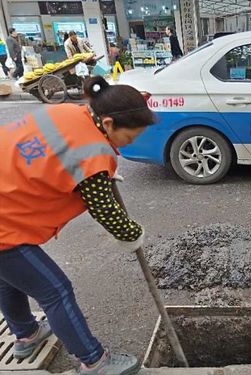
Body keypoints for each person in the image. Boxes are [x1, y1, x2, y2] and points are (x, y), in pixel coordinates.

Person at [0, 76, 156, 374]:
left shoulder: (69, 112)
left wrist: (96, 178)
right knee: (55, 290)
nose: (130, 143)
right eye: (129, 137)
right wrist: (132, 234)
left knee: (7, 279)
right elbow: (107, 213)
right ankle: (95, 362)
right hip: (5, 222)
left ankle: (26, 335)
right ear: (108, 123)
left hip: (6, 192)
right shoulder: (94, 153)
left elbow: (54, 156)